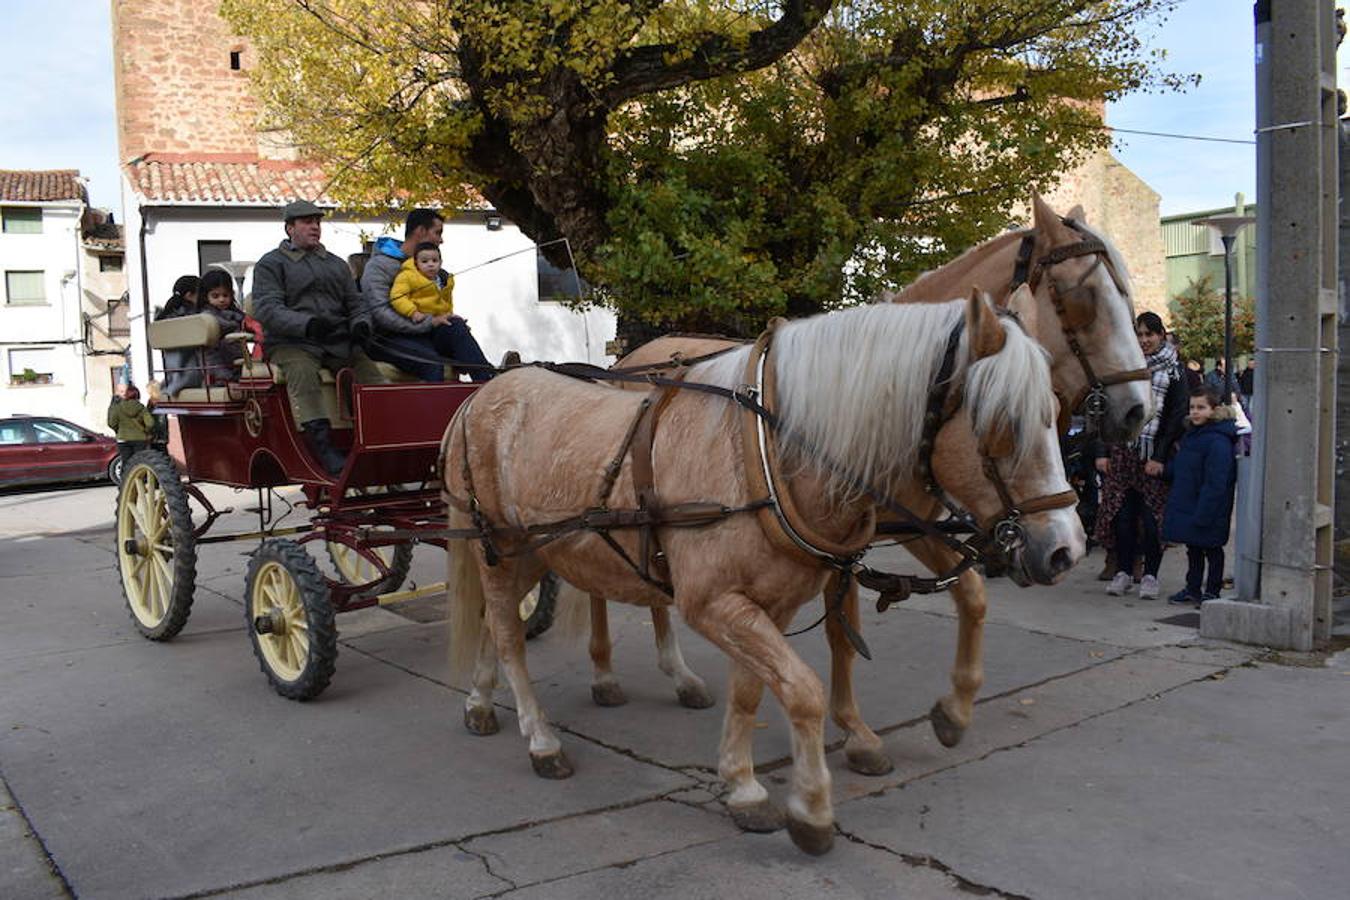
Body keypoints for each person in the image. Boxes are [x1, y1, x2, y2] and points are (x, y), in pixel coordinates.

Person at [251, 199, 386, 476]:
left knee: (371, 377)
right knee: (302, 374)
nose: (315, 227)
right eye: (307, 222)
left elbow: (356, 303)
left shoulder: (336, 264)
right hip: (291, 343)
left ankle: (378, 439)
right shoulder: (271, 264)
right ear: (290, 228)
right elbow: (268, 309)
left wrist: (361, 325)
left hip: (337, 341)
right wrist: (308, 325)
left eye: (317, 222)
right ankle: (323, 448)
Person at [1095, 312, 1188, 599]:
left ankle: (1150, 576)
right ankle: (1123, 571)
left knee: (1151, 522)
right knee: (1122, 518)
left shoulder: (1174, 370)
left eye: (1150, 334)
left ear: (1161, 335)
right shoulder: (1125, 367)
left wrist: (1159, 457)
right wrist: (1104, 451)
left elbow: (1176, 416)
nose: (1144, 340)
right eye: (1140, 334)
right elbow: (1108, 410)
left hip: (1153, 456)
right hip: (1124, 452)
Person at [360, 209, 497, 383]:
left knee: (455, 326)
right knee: (431, 362)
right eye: (437, 232)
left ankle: (490, 382)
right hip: (388, 338)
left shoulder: (431, 267)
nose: (441, 240)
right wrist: (427, 323)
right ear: (420, 232)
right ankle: (439, 408)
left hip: (426, 333)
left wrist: (445, 319)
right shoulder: (379, 266)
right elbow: (381, 314)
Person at [1163, 388, 1239, 606]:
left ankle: (1212, 590)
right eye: (1192, 407)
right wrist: (1164, 470)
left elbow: (1217, 481)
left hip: (1207, 506)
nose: (1195, 412)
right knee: (1194, 548)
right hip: (1191, 503)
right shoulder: (1193, 436)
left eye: (1201, 408)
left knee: (1212, 549)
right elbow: (1183, 467)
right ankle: (1193, 588)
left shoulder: (1217, 441)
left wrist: (1205, 511)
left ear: (1214, 410)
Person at [388, 242, 495, 382]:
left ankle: (484, 376)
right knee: (434, 360)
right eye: (424, 261)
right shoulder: (407, 276)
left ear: (440, 262)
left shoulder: (444, 280)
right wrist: (413, 312)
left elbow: (446, 305)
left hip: (438, 329)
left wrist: (450, 315)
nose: (430, 264)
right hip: (418, 330)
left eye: (435, 260)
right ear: (416, 263)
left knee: (457, 325)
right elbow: (397, 297)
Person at [197, 269, 258, 384]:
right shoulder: (206, 320)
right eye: (215, 296)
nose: (221, 299)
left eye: (225, 295)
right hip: (220, 375)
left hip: (240, 365)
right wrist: (227, 376)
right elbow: (208, 356)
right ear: (206, 297)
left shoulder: (237, 316)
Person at [156, 275, 204, 396]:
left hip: (172, 378)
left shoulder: (165, 319)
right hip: (195, 376)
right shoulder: (194, 318)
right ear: (189, 295)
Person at [107, 384, 156, 471]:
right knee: (140, 462)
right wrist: (145, 430)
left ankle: (125, 482)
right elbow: (150, 423)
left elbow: (111, 423)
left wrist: (118, 430)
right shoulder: (141, 408)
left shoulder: (118, 407)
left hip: (123, 439)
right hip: (140, 439)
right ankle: (140, 481)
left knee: (126, 462)